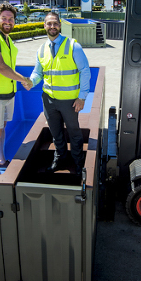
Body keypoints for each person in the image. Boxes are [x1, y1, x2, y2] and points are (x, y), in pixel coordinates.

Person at [28, 12, 91, 173]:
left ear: (60, 25)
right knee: (55, 133)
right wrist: (30, 81)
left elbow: (85, 71)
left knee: (74, 133)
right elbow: (38, 73)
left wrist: (82, 97)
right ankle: (60, 158)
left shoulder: (72, 46)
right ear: (44, 26)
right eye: (49, 23)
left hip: (69, 101)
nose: (52, 26)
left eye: (55, 23)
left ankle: (78, 162)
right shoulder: (41, 49)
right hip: (49, 100)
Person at [0, 3, 32, 175]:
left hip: (8, 93)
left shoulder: (7, 39)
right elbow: (1, 67)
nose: (8, 21)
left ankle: (2, 160)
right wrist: (23, 79)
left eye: (11, 19)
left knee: (2, 129)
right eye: (4, 18)